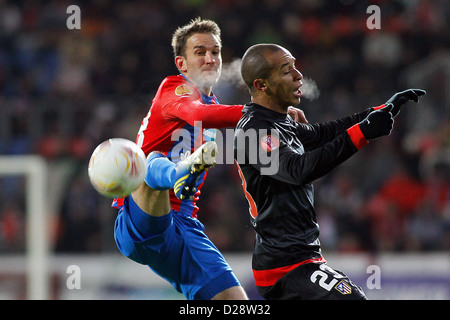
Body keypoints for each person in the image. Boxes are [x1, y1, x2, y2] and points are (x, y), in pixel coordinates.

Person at [113, 19, 306, 300]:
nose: (210, 58)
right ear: (182, 63)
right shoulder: (173, 88)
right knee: (150, 161)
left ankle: (183, 172)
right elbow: (198, 115)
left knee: (233, 301)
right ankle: (179, 172)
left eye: (215, 52)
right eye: (200, 52)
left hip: (184, 227)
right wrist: (266, 111)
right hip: (141, 217)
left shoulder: (215, 109)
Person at [233, 43, 426, 300]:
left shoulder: (279, 122)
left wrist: (378, 112)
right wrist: (364, 131)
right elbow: (297, 170)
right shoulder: (254, 131)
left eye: (295, 67)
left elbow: (322, 135)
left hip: (302, 259)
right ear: (261, 85)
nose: (299, 75)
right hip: (284, 266)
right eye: (286, 70)